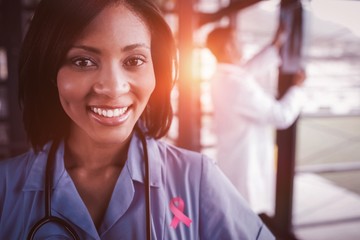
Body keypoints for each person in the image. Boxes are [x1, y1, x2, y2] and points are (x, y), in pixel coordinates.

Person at [0, 0, 275, 239]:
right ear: (51, 73)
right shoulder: (4, 187)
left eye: (134, 61)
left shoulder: (198, 180)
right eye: (83, 61)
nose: (113, 87)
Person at [206, 25, 306, 216]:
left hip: (234, 165)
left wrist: (273, 47)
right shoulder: (236, 84)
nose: (242, 44)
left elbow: (246, 70)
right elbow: (281, 116)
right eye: (238, 40)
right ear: (228, 47)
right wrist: (297, 89)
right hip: (245, 173)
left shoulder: (222, 78)